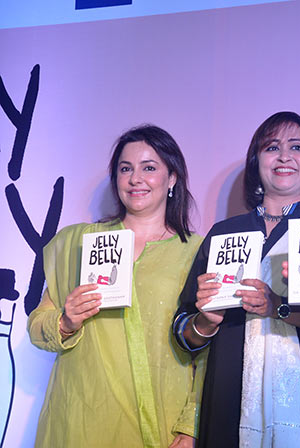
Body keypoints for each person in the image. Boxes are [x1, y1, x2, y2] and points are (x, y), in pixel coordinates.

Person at [173, 111, 300, 448]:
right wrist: (205, 321)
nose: (284, 156)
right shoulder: (223, 233)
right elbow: (184, 334)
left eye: (297, 147)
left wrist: (279, 308)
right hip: (230, 401)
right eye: (272, 147)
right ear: (256, 162)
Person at [27, 125, 205, 448]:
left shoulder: (196, 251)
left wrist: (191, 424)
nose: (136, 179)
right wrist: (65, 322)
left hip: (163, 422)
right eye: (126, 169)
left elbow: (207, 350)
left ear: (172, 178)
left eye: (149, 168)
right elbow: (37, 326)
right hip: (80, 420)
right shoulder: (77, 243)